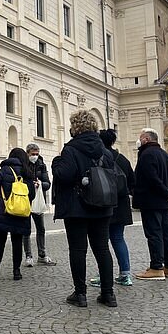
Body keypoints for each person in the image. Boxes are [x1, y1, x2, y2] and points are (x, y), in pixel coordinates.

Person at [52, 110, 117, 308]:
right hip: (102, 206)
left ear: (76, 127)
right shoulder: (105, 151)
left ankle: (80, 294)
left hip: (77, 207)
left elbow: (64, 175)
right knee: (102, 249)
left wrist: (56, 162)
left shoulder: (71, 149)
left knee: (78, 250)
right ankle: (108, 294)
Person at [132, 128, 168, 281]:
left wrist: (166, 193)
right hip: (165, 203)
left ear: (146, 139)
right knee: (166, 234)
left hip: (151, 201)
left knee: (154, 234)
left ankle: (156, 267)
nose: (139, 141)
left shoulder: (146, 155)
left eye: (140, 138)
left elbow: (151, 179)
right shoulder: (165, 155)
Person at [90, 129, 136, 287]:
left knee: (102, 243)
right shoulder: (122, 158)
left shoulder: (99, 157)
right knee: (118, 239)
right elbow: (132, 182)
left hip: (104, 203)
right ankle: (125, 274)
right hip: (121, 205)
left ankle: (103, 276)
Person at [0, 147, 36, 281]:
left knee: (0, 242)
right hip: (20, 212)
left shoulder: (5, 170)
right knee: (17, 242)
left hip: (3, 211)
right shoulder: (27, 172)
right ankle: (16, 271)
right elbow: (31, 195)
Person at [23, 143, 57, 267]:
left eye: (37, 154)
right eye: (33, 154)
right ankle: (28, 255)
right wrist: (30, 184)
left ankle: (42, 254)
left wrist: (40, 183)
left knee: (41, 228)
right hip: (26, 200)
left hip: (38, 200)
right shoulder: (23, 164)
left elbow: (48, 183)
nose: (35, 156)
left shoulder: (41, 164)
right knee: (26, 229)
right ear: (27, 153)